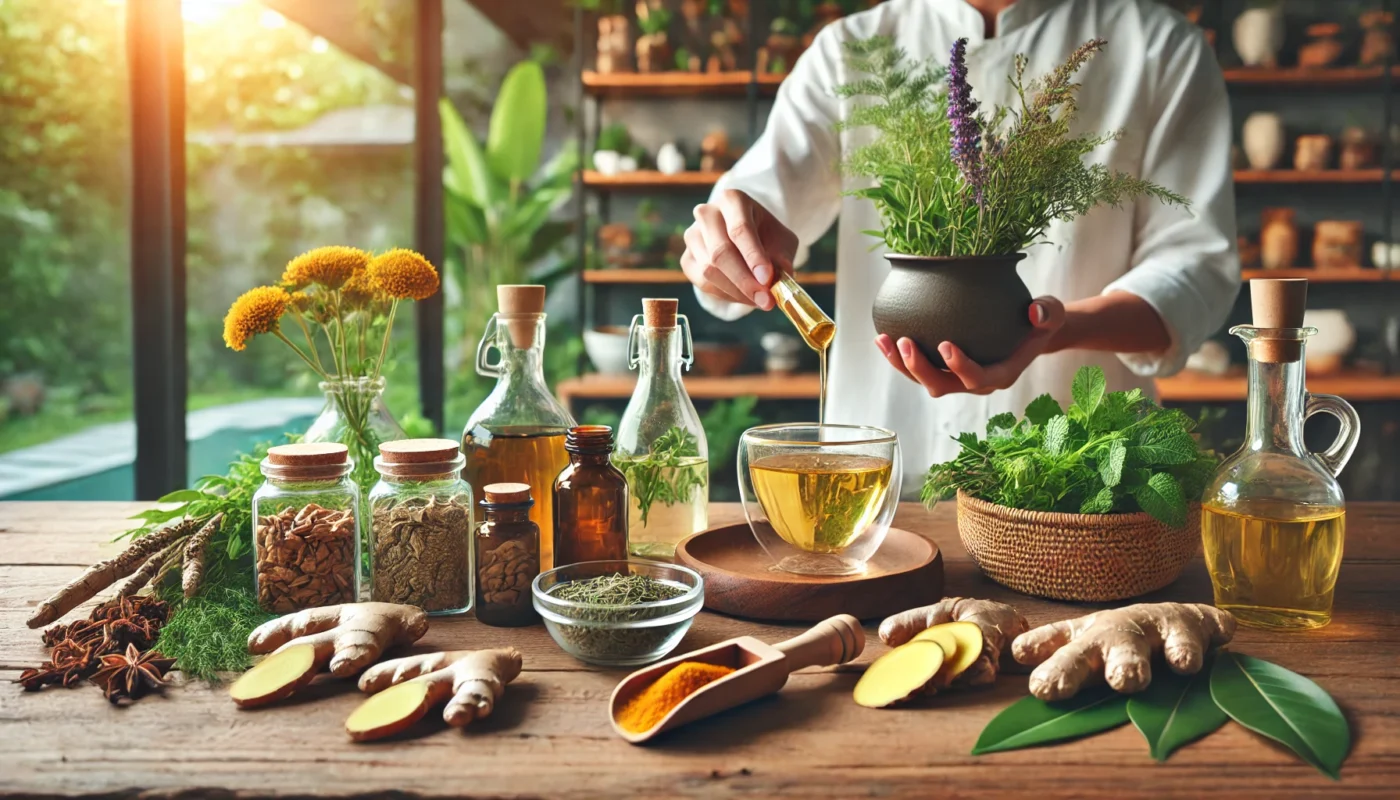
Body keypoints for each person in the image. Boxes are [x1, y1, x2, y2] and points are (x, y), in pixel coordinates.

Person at [680, 0, 1239, 495]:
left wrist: (1055, 330)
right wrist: (731, 240)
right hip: (874, 475)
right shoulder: (854, 50)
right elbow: (757, 200)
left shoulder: (1158, 45)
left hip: (1075, 482)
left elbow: (1194, 267)